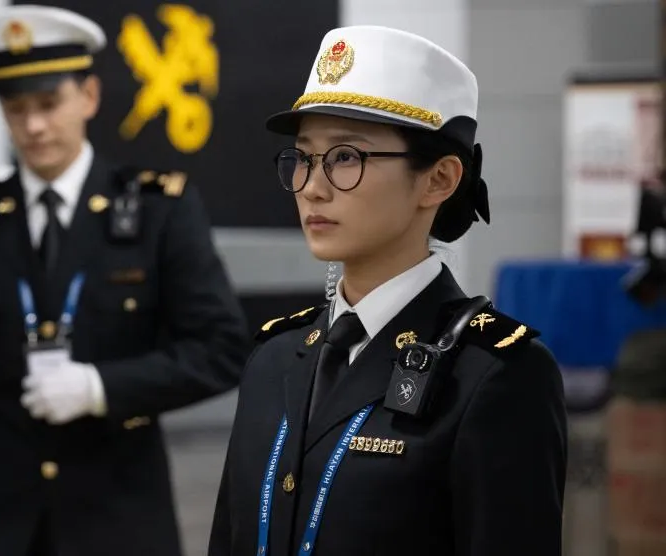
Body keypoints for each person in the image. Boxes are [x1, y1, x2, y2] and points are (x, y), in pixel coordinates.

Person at [0, 5, 250, 556]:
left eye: (49, 103)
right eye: (16, 108)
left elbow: (221, 349)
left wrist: (102, 387)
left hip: (118, 521)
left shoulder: (158, 211)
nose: (33, 126)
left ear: (89, 97)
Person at [208, 25, 568, 556]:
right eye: (303, 158)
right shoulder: (274, 359)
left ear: (439, 179)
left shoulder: (494, 376)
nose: (313, 187)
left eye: (346, 157)